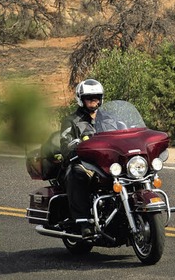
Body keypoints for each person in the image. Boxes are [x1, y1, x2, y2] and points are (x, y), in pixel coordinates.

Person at [60, 78, 114, 238]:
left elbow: (123, 133)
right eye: (89, 98)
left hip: (109, 163)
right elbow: (65, 146)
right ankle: (83, 221)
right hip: (86, 164)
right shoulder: (71, 121)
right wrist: (73, 144)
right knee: (77, 172)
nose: (93, 100)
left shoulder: (109, 119)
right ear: (80, 99)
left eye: (96, 97)